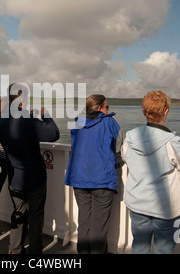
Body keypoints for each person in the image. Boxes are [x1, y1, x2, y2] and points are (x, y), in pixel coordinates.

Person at [123, 91, 180, 254]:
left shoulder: (130, 139)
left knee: (139, 247)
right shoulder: (172, 142)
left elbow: (126, 158)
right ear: (165, 111)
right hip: (166, 208)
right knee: (165, 249)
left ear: (144, 112)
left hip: (138, 203)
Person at [0, 83, 60, 254]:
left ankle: (15, 250)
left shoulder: (3, 119)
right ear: (22, 99)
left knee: (18, 214)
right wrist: (45, 115)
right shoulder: (27, 119)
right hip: (34, 178)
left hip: (14, 178)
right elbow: (53, 134)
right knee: (35, 217)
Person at [64, 94, 125, 254]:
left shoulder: (77, 122)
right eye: (107, 107)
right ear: (99, 108)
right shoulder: (109, 122)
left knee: (84, 221)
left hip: (79, 179)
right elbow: (120, 145)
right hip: (102, 180)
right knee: (99, 226)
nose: (108, 110)